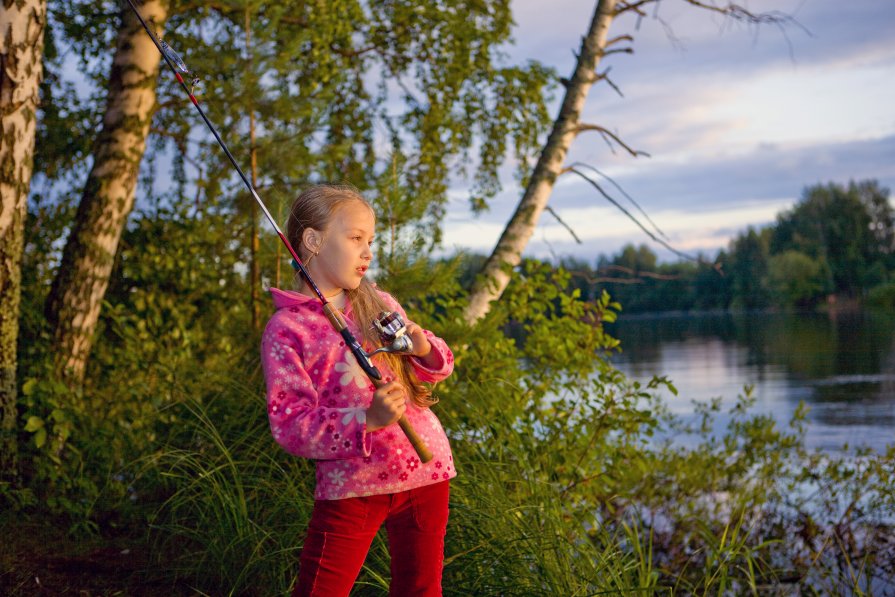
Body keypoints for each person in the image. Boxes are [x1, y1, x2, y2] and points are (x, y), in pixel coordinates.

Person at [260, 184, 456, 597]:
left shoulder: (380, 302)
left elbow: (438, 368)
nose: (368, 252)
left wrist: (421, 344)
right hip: (352, 483)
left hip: (425, 471)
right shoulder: (287, 329)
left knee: (420, 589)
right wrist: (366, 419)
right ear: (312, 241)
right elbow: (290, 425)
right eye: (356, 239)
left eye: (371, 241)